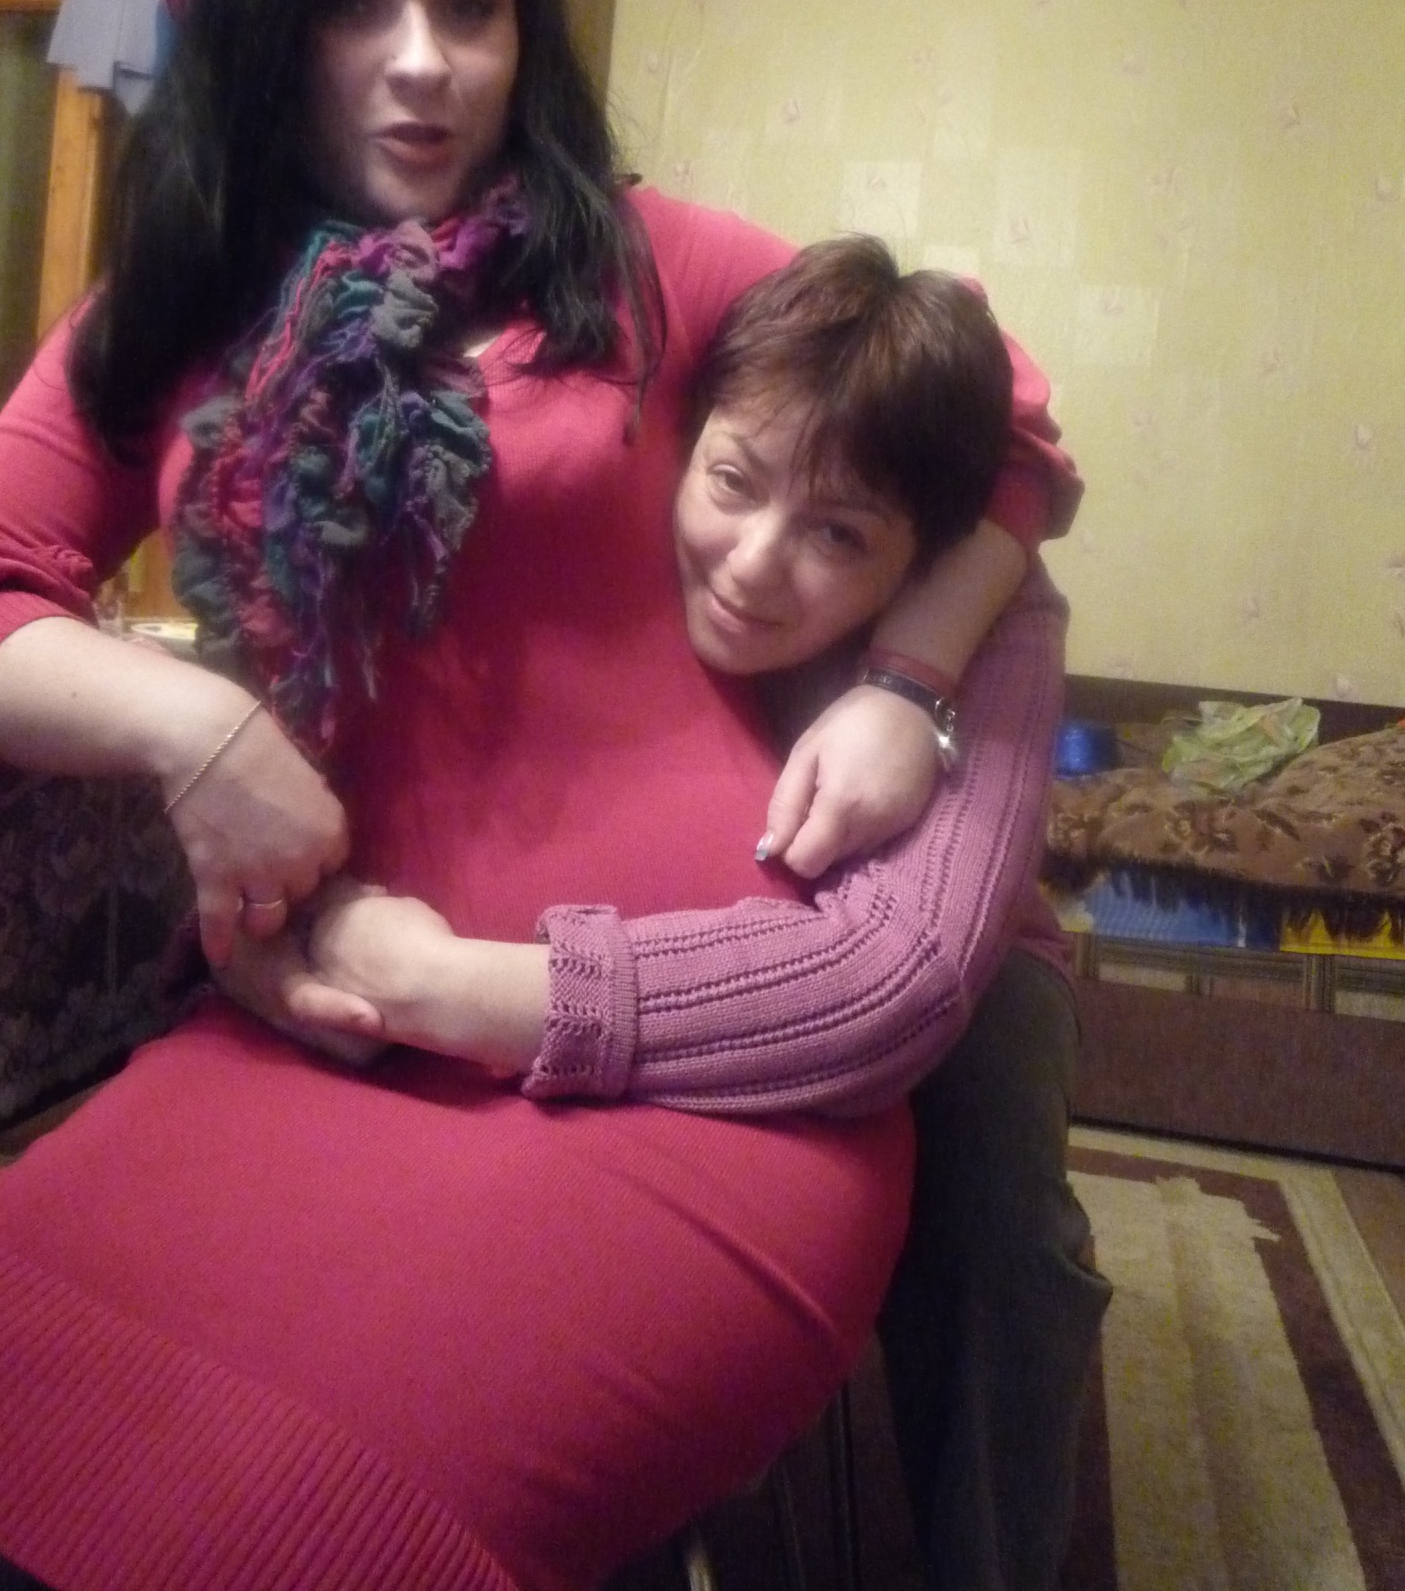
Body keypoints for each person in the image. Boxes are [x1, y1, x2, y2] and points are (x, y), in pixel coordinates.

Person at [0, 0, 1078, 1591]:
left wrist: (908, 684)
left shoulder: (649, 265)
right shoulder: (165, 319)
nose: (422, 60)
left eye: (471, 5)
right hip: (335, 1011)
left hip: (695, 1044)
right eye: (354, 5)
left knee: (320, 1531)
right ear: (264, 27)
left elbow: (995, 415)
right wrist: (190, 726)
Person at [241, 236, 1109, 1591]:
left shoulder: (997, 611)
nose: (757, 566)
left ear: (927, 549)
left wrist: (908, 684)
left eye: (839, 536)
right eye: (735, 484)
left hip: (961, 952)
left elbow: (905, 974)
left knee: (1002, 1233)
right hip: (666, 930)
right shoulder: (619, 502)